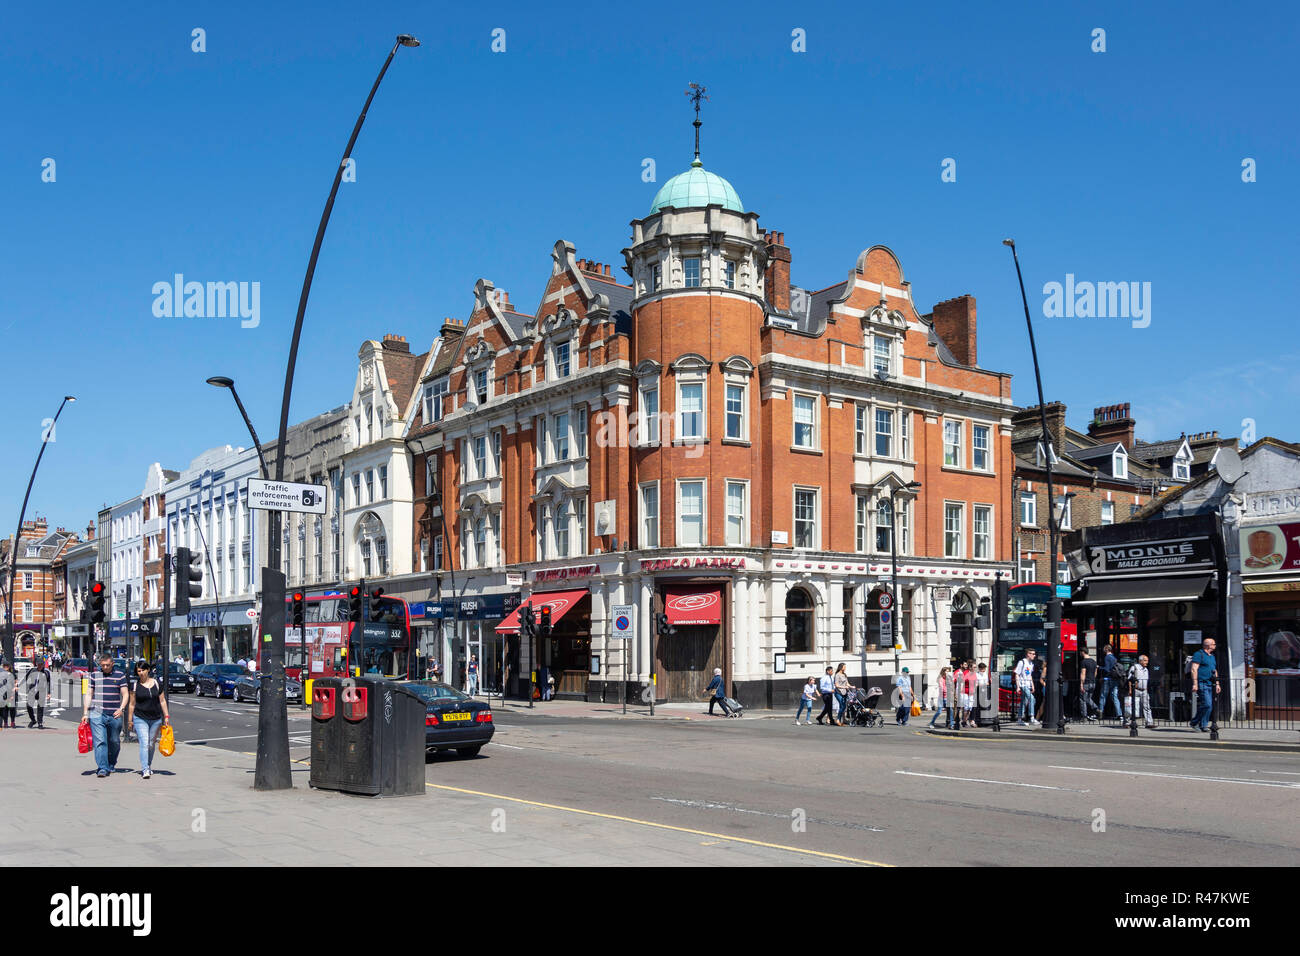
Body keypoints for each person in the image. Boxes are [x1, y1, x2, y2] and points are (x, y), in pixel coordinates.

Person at [81, 653, 128, 778]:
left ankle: (111, 763)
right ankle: (102, 768)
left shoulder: (120, 675)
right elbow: (89, 694)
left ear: (112, 663)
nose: (105, 667)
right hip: (97, 714)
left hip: (115, 714)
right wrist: (85, 713)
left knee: (114, 741)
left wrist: (121, 709)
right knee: (100, 741)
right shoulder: (94, 676)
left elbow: (125, 694)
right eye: (103, 665)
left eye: (108, 665)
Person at [127, 661, 171, 779]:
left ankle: (148, 765)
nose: (141, 673)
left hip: (156, 718)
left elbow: (162, 701)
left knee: (151, 744)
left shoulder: (157, 683)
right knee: (144, 743)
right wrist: (130, 720)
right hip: (140, 717)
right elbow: (131, 704)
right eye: (139, 671)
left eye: (143, 670)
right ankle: (145, 769)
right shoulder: (135, 686)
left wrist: (166, 716)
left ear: (148, 670)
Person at [1189, 637, 1220, 732]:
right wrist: (1195, 684)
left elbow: (1215, 671)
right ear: (1208, 645)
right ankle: (1194, 722)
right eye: (1214, 644)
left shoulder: (1212, 656)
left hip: (1211, 684)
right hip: (1202, 683)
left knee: (1209, 706)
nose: (1215, 645)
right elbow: (1194, 669)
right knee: (1206, 704)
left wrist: (1217, 684)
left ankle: (1204, 725)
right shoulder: (1199, 654)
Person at [1125, 653, 1155, 729]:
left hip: (1144, 690)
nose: (1146, 662)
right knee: (1132, 706)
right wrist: (1130, 690)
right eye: (1145, 660)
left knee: (1147, 706)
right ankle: (1127, 722)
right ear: (1140, 661)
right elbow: (1129, 680)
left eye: (1147, 661)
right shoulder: (1134, 667)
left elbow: (1146, 681)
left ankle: (1149, 722)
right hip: (1136, 690)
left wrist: (1146, 690)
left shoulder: (1146, 670)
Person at [24, 657, 51, 728]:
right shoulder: (32, 670)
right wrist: (18, 685)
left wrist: (49, 693)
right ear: (36, 664)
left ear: (43, 665)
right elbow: (25, 678)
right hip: (32, 691)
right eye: (38, 664)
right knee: (29, 706)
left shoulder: (46, 672)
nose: (40, 666)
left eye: (41, 664)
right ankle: (33, 720)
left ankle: (40, 723)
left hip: (41, 692)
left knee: (40, 707)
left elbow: (49, 683)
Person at [1014, 649, 1039, 726]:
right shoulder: (1022, 662)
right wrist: (1018, 686)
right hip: (1023, 684)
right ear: (1028, 654)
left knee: (1024, 702)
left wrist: (1033, 685)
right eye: (1033, 654)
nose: (1034, 655)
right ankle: (1031, 717)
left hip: (1028, 685)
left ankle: (1019, 719)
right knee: (1031, 698)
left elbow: (1030, 675)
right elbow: (1017, 674)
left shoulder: (1031, 664)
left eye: (1034, 654)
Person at [1099, 645, 1124, 719]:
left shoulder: (1107, 657)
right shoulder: (1114, 658)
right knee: (1115, 697)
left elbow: (1107, 669)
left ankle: (1100, 712)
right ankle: (1119, 714)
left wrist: (1099, 667)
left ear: (1106, 649)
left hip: (1107, 679)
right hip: (1115, 679)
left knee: (1103, 696)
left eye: (1104, 649)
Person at [1078, 648, 1100, 721]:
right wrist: (1093, 679)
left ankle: (1084, 716)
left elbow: (1083, 673)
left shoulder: (1084, 662)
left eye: (1080, 652)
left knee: (1082, 700)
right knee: (1088, 698)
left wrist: (1081, 684)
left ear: (1083, 652)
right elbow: (1096, 672)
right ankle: (1096, 708)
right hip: (1093, 682)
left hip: (1086, 683)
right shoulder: (1094, 661)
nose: (1080, 654)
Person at [973, 662, 991, 727]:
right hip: (978, 692)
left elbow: (987, 683)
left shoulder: (985, 674)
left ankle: (984, 720)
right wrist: (982, 684)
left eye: (985, 669)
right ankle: (977, 721)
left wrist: (982, 684)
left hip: (984, 692)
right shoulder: (976, 675)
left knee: (984, 707)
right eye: (983, 669)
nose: (984, 670)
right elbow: (976, 684)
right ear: (980, 669)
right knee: (978, 707)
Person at [0, 662, 16, 728]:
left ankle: (12, 722)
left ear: (9, 667)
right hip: (3, 694)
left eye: (7, 666)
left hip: (10, 694)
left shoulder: (12, 674)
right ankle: (5, 722)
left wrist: (12, 694)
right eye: (4, 666)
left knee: (12, 708)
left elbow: (14, 684)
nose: (5, 667)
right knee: (5, 709)